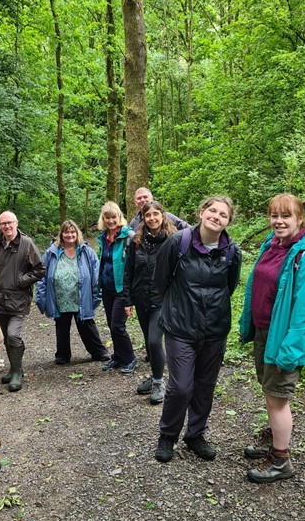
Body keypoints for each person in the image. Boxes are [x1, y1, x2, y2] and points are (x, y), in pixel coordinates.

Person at [239, 194, 305, 483]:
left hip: (286, 338)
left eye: (285, 216)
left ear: (300, 218)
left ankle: (281, 460)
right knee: (269, 393)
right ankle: (273, 438)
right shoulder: (273, 245)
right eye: (274, 215)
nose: (278, 221)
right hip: (265, 331)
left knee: (277, 399)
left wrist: (290, 349)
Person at [154, 196, 241, 463]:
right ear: (202, 212)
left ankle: (195, 435)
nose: (216, 216)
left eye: (223, 214)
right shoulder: (178, 242)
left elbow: (230, 286)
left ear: (228, 221)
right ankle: (167, 435)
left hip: (215, 329)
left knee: (205, 385)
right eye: (212, 211)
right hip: (180, 326)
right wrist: (177, 306)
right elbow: (160, 280)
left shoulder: (231, 251)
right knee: (181, 387)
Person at [123, 201, 178, 404]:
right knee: (149, 342)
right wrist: (127, 299)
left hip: (162, 299)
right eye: (148, 215)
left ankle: (158, 383)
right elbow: (129, 271)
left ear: (163, 216)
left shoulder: (172, 240)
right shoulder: (136, 242)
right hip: (140, 298)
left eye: (156, 214)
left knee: (155, 341)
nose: (152, 218)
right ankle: (157, 375)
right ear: (143, 219)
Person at [35, 220, 110, 365]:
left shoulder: (86, 251)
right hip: (60, 298)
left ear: (77, 233)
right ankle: (62, 355)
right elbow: (42, 276)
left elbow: (96, 273)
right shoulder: (52, 252)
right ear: (61, 234)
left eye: (72, 232)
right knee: (62, 326)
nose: (70, 235)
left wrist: (96, 295)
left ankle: (99, 352)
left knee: (87, 325)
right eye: (66, 232)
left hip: (81, 296)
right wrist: (41, 298)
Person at [0, 211, 46, 392]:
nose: (7, 226)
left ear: (16, 223)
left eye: (10, 222)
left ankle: (16, 372)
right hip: (0, 300)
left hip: (18, 300)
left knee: (13, 335)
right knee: (7, 336)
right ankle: (16, 369)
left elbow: (40, 269)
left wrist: (22, 280)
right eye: (3, 223)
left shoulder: (27, 244)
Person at [96, 202, 137, 374]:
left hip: (122, 288)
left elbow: (134, 264)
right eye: (107, 218)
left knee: (117, 326)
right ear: (103, 219)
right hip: (107, 287)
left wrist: (131, 295)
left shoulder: (129, 236)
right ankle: (118, 356)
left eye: (114, 217)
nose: (111, 221)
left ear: (119, 217)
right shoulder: (103, 237)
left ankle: (130, 358)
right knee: (111, 323)